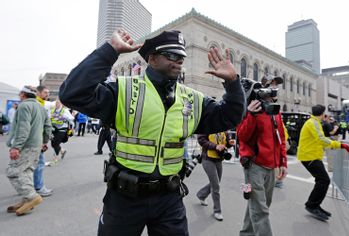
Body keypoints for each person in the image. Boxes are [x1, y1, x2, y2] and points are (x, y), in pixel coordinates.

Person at [59, 29, 245, 235]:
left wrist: (232, 83)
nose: (179, 61)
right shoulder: (123, 90)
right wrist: (109, 51)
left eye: (181, 56)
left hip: (170, 199)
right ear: (153, 59)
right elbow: (72, 93)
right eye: (172, 55)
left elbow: (230, 116)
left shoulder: (193, 99)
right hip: (124, 199)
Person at [237, 75, 287, 236]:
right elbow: (242, 136)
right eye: (271, 86)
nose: (273, 91)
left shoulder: (275, 111)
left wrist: (283, 163)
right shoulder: (250, 109)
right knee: (260, 209)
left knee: (260, 205)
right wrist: (251, 114)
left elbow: (281, 138)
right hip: (253, 166)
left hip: (271, 167)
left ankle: (246, 233)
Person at [297, 104, 349, 221]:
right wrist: (340, 145)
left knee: (322, 180)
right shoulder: (313, 123)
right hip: (309, 157)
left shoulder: (314, 122)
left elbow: (319, 139)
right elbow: (321, 139)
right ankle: (312, 205)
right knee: (324, 180)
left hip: (312, 156)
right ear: (322, 114)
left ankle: (314, 204)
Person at [6, 86, 51, 216]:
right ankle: (27, 200)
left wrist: (16, 147)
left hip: (26, 145)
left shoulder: (24, 106)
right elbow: (48, 127)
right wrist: (44, 141)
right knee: (27, 172)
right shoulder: (40, 107)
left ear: (23, 95)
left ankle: (31, 197)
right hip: (36, 145)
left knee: (13, 171)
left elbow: (23, 128)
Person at [196, 131, 235, 221]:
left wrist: (229, 143)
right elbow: (201, 140)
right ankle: (217, 211)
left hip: (218, 159)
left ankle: (201, 195)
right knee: (216, 185)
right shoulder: (207, 125)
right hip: (207, 159)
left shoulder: (224, 128)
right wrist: (215, 146)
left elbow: (226, 142)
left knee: (216, 183)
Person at [34, 85, 54, 197]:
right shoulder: (38, 104)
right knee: (39, 163)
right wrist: (44, 141)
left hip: (35, 138)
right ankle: (39, 187)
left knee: (33, 164)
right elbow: (44, 125)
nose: (48, 95)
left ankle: (30, 187)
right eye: (45, 92)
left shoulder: (41, 104)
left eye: (48, 92)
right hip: (38, 139)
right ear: (39, 92)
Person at [49, 99, 74, 164]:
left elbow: (72, 118)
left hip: (62, 130)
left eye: (58, 103)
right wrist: (50, 116)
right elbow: (48, 117)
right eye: (56, 103)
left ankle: (55, 158)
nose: (57, 104)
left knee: (56, 144)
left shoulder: (65, 110)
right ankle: (62, 151)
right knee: (52, 144)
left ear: (61, 104)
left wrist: (64, 116)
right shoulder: (52, 110)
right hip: (53, 130)